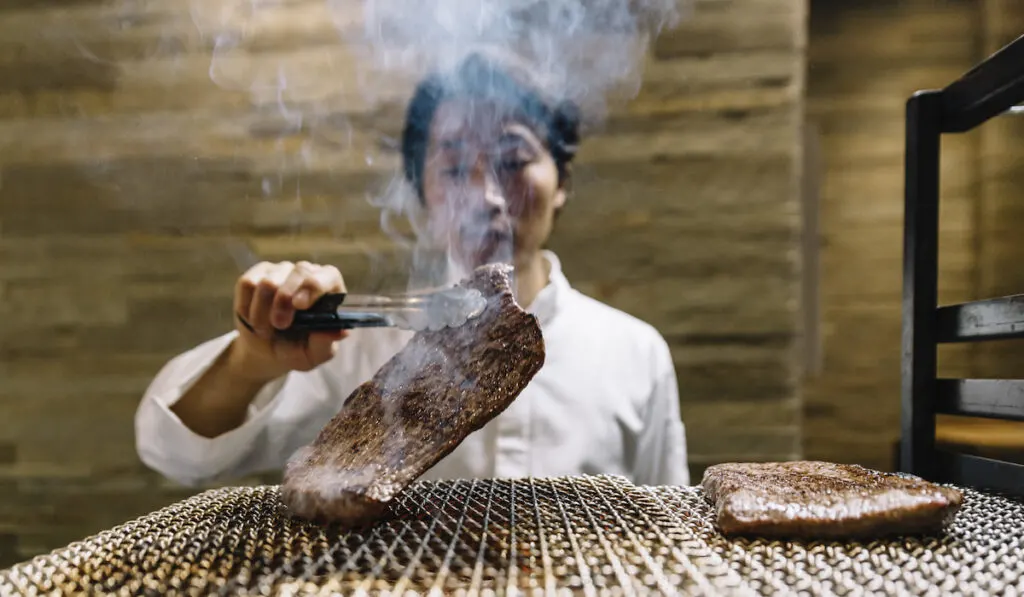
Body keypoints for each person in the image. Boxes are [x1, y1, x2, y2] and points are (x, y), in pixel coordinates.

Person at [134, 52, 690, 488]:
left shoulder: (635, 353)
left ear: (562, 181)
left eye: (513, 160)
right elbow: (173, 452)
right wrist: (251, 360)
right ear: (422, 192)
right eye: (453, 165)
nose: (485, 194)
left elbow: (668, 532)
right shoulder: (358, 345)